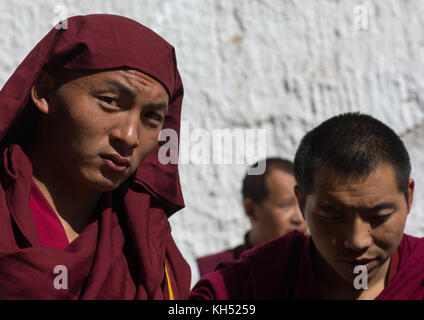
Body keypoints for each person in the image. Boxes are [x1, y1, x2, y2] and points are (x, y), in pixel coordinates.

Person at [0, 14, 191, 299]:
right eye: (110, 101)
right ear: (44, 92)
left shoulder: (148, 252)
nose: (129, 136)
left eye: (151, 117)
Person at [190, 112, 424, 300]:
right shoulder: (249, 284)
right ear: (302, 203)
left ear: (409, 197)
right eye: (333, 217)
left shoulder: (418, 272)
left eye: (379, 217)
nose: (357, 241)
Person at [196, 158, 308, 277]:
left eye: (303, 204)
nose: (300, 218)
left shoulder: (322, 266)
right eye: (285, 205)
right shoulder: (214, 273)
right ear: (251, 210)